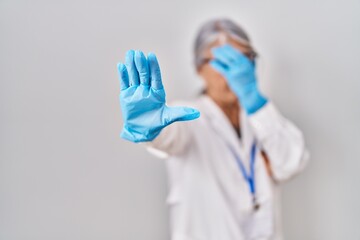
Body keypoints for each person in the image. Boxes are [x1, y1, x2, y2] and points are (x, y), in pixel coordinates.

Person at [116, 18, 309, 240]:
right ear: (199, 68)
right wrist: (148, 129)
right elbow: (168, 137)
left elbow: (292, 163)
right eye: (222, 62)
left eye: (243, 59)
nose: (232, 73)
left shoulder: (262, 117)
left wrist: (256, 102)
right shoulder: (185, 115)